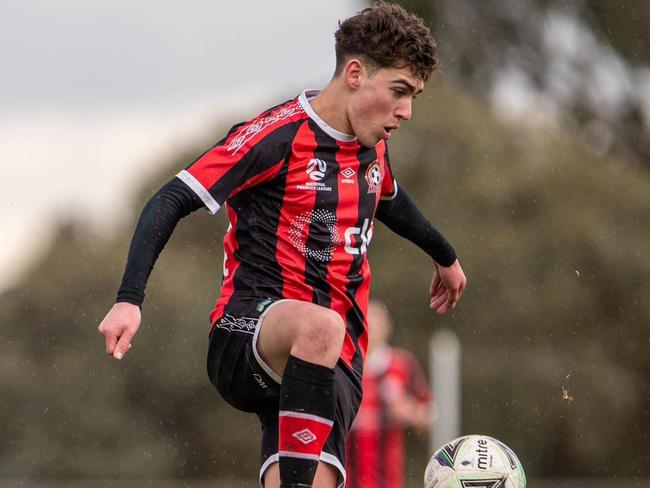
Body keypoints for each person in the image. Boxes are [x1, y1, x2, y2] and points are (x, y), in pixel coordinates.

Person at [97, 3, 466, 487]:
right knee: (320, 326)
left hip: (337, 362)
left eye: (414, 95)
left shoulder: (373, 145)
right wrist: (129, 299)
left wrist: (445, 256)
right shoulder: (276, 136)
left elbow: (390, 199)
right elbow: (170, 199)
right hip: (247, 330)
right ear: (354, 73)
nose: (407, 111)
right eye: (399, 91)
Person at [345, 299, 434, 488]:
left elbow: (428, 416)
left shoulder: (401, 365)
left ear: (387, 327)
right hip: (345, 478)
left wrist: (408, 411)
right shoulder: (343, 365)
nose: (371, 328)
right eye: (366, 321)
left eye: (376, 322)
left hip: (387, 480)